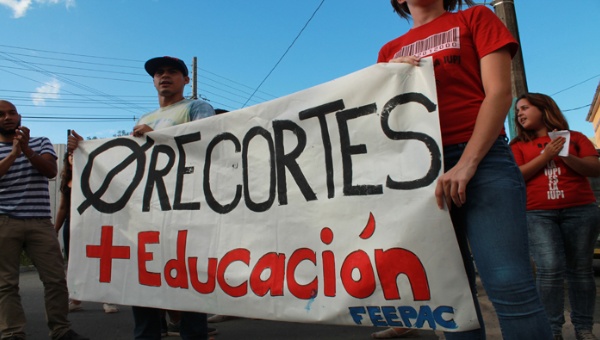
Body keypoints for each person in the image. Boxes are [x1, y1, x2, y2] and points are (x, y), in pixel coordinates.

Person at [376, 1, 553, 339]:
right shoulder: (388, 51)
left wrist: (468, 162)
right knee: (453, 294)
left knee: (509, 283)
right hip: (420, 171)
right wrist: (389, 80)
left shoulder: (475, 17)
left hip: (484, 160)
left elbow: (499, 92)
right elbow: (384, 118)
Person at [68, 56, 215, 340]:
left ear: (186, 80)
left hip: (184, 209)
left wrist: (157, 136)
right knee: (143, 281)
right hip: (147, 211)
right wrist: (86, 151)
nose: (165, 76)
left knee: (189, 279)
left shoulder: (197, 107)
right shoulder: (143, 119)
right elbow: (129, 163)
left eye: (173, 72)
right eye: (159, 73)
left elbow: (206, 140)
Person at [510, 93, 600, 340]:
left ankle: (584, 328)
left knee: (581, 270)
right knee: (549, 269)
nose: (519, 114)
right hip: (537, 213)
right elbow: (516, 177)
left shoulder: (577, 138)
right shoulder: (517, 145)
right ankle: (551, 330)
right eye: (518, 111)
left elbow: (595, 168)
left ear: (544, 109)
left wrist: (565, 156)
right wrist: (546, 156)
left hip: (581, 210)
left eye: (525, 108)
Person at [0, 100, 89, 340]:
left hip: (40, 221)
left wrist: (27, 150)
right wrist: (14, 153)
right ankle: (12, 333)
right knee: (6, 283)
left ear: (20, 117)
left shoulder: (40, 142)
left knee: (56, 279)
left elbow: (50, 170)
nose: (7, 117)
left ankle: (60, 329)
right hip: (4, 221)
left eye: (12, 113)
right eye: (1, 114)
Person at [54, 152, 119, 314]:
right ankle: (76, 299)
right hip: (73, 225)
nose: (73, 157)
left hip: (94, 224)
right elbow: (63, 207)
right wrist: (54, 229)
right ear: (67, 159)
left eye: (76, 154)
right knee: (74, 263)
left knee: (101, 262)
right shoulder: (66, 180)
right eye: (70, 155)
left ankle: (107, 299)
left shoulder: (94, 176)